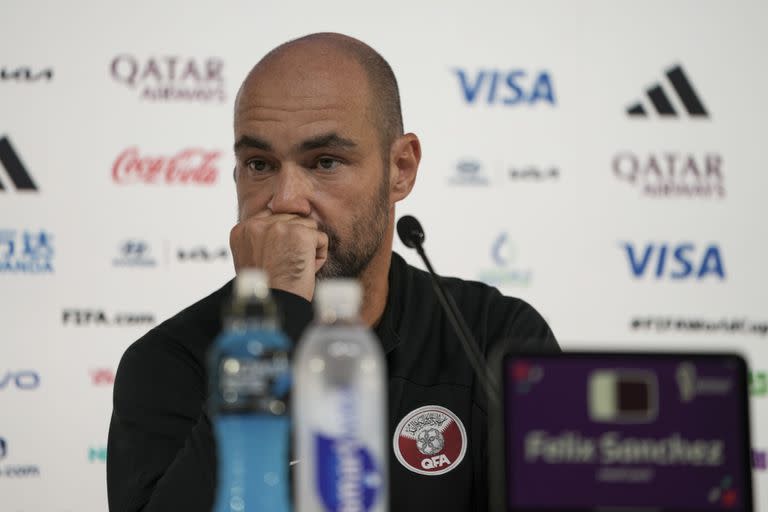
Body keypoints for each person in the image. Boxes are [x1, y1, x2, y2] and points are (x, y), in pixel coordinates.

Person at [107, 32, 559, 512]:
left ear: (400, 169)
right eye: (259, 164)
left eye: (325, 162)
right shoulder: (168, 361)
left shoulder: (494, 337)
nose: (285, 200)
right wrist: (275, 311)